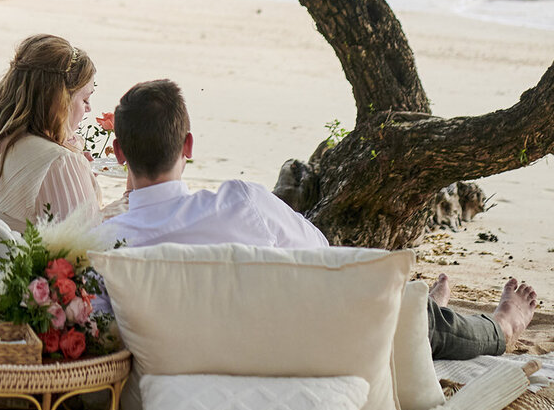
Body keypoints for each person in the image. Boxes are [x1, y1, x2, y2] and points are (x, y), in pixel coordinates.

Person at [103, 77, 538, 361]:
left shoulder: (100, 245)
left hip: (206, 353)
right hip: (290, 347)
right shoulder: (239, 203)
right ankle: (503, 325)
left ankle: (425, 305)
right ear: (190, 145)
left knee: (407, 307)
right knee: (408, 315)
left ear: (119, 153)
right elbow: (322, 253)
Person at [0, 34, 103, 230]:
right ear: (60, 100)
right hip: (11, 260)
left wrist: (78, 176)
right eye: (85, 99)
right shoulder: (58, 162)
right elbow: (86, 243)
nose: (88, 109)